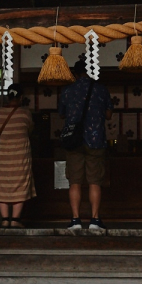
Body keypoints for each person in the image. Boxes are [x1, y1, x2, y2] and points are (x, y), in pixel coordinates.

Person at [57, 56, 109, 234]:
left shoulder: (67, 91)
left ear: (75, 73)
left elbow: (62, 114)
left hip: (74, 141)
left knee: (75, 182)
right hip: (95, 139)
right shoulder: (101, 90)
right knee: (95, 181)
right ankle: (95, 219)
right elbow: (109, 114)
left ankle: (75, 220)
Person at [0, 86, 35, 227]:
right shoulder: (25, 113)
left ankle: (5, 219)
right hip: (20, 153)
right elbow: (30, 129)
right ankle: (15, 220)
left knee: (1, 185)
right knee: (20, 183)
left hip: (2, 154)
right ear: (21, 97)